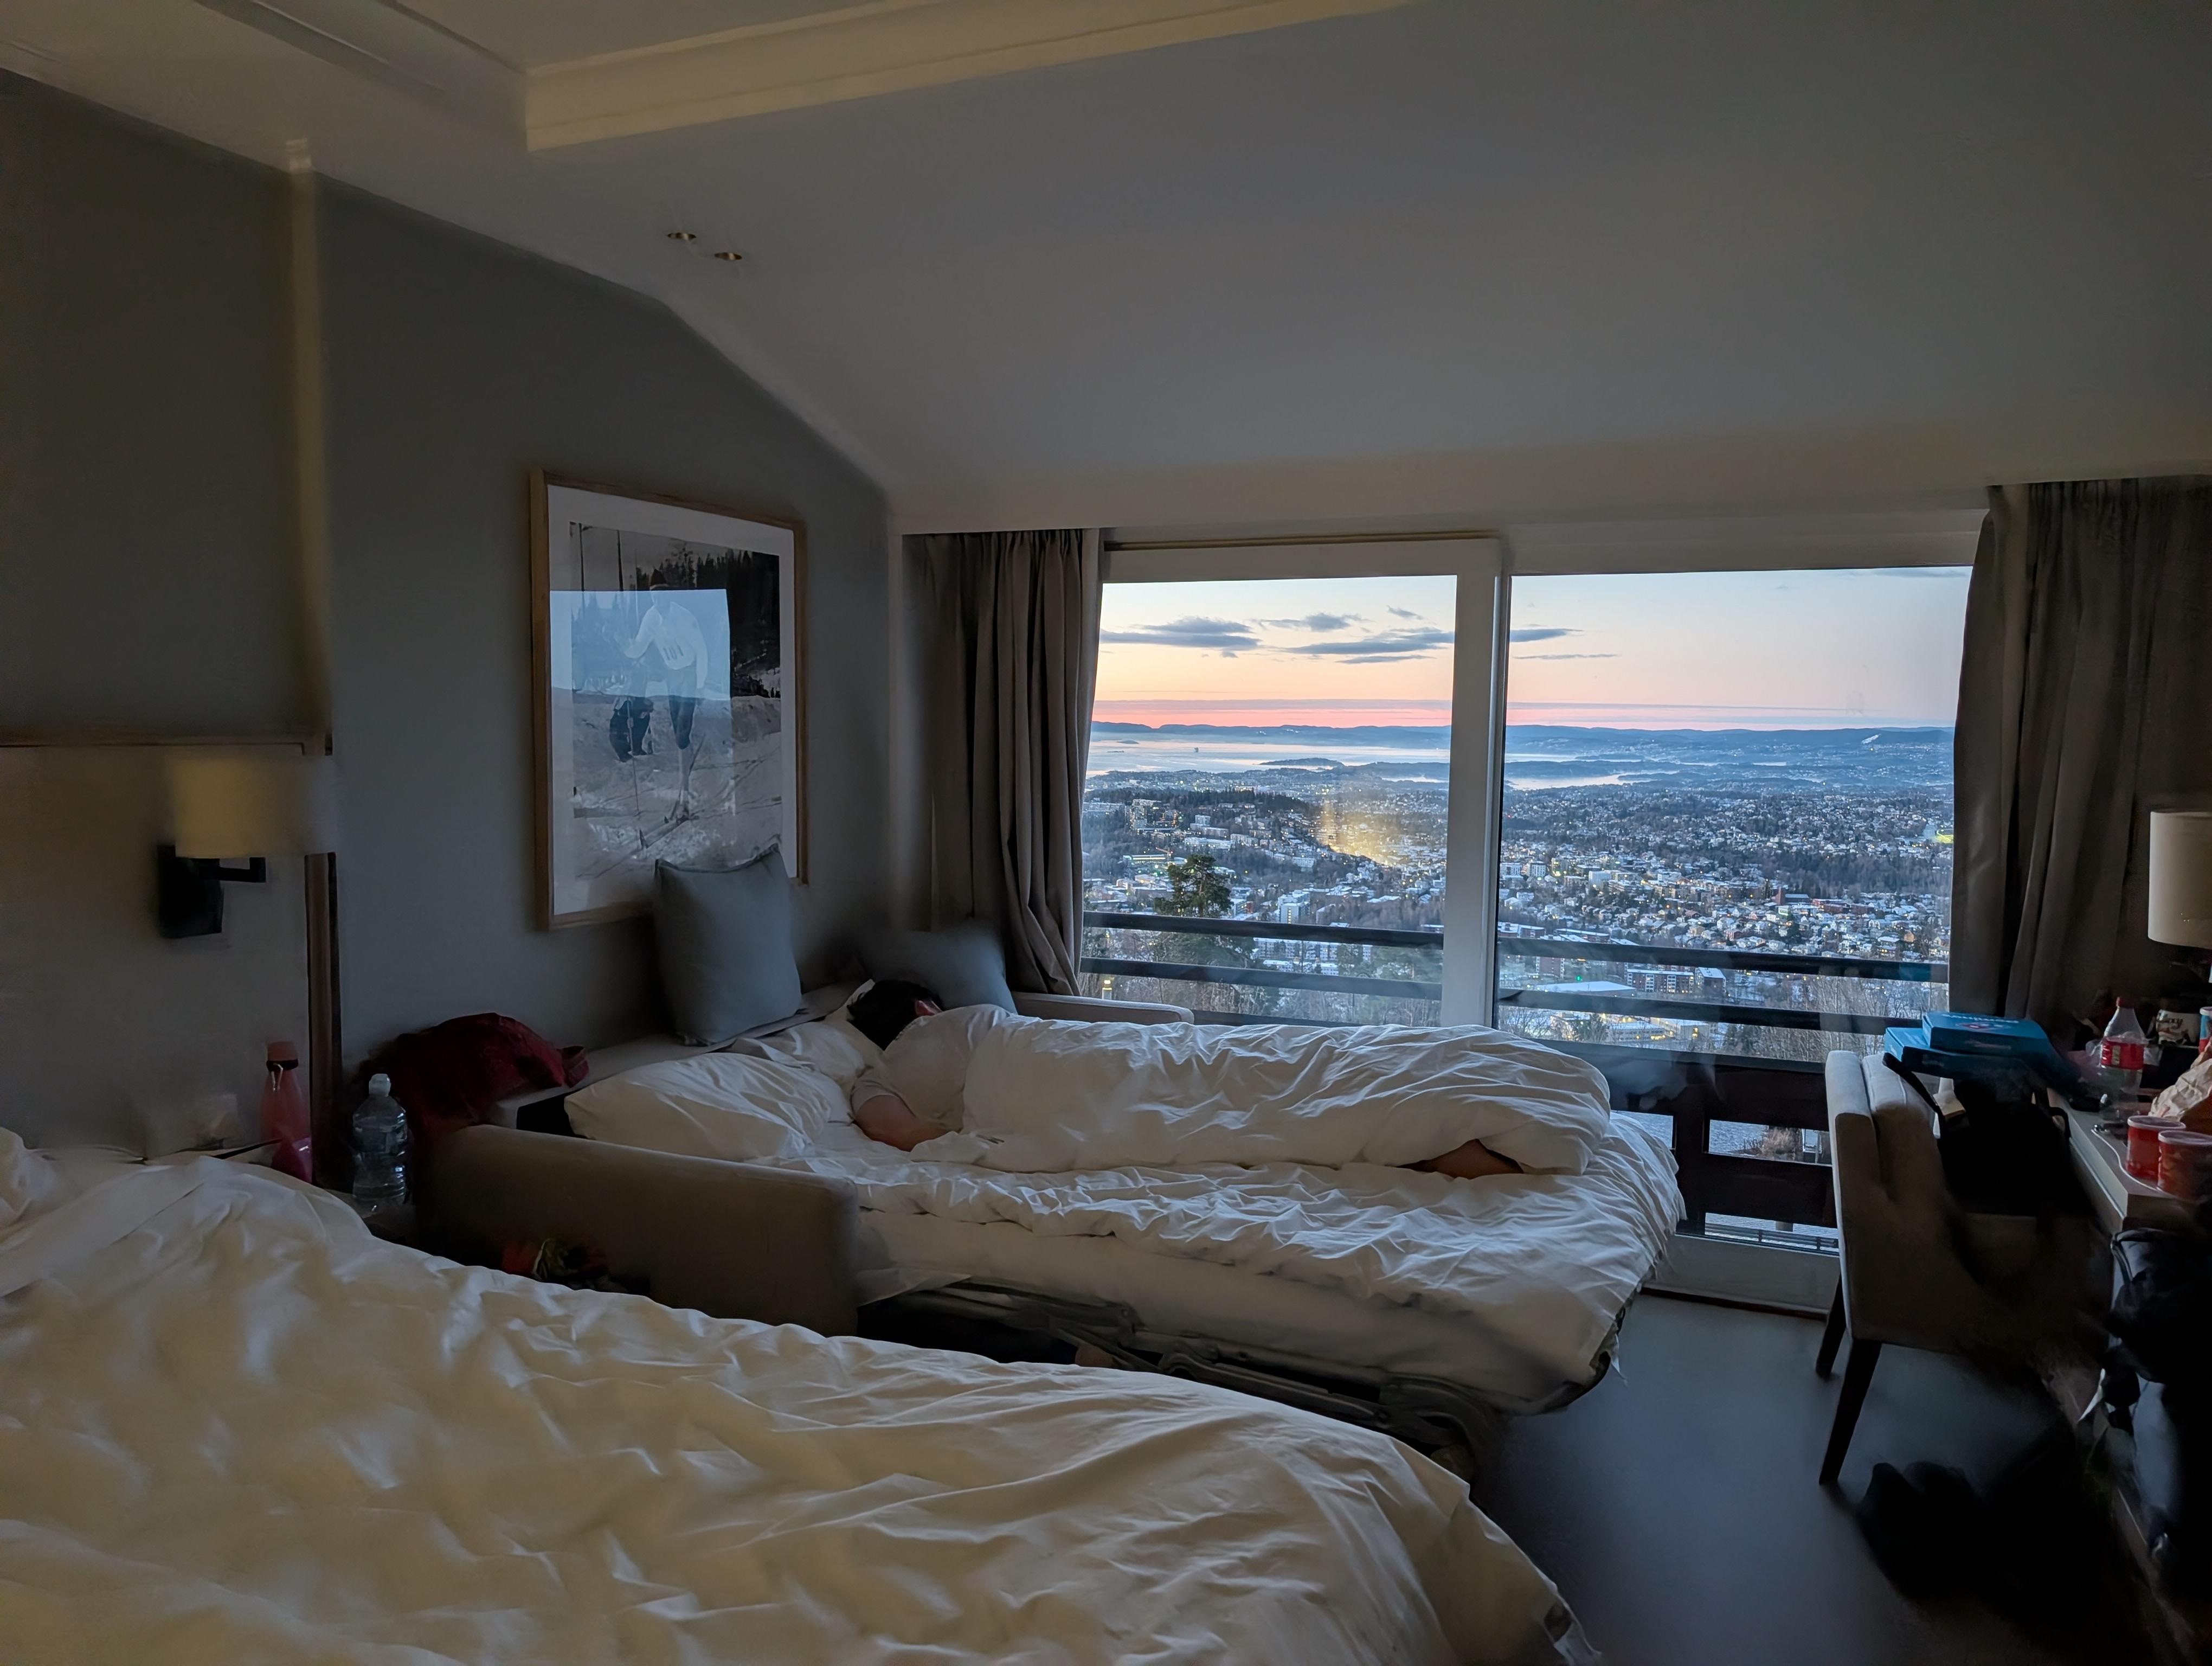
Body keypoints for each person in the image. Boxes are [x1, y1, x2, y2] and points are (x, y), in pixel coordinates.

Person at [843, 978, 1522, 1178]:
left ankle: (1442, 1141)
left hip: (1074, 1073)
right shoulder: (975, 1016)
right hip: (1103, 1053)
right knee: (1263, 1071)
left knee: (1259, 1106)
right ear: (927, 1006)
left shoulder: (874, 1078)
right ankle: (1449, 1098)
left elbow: (909, 1135)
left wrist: (987, 1130)